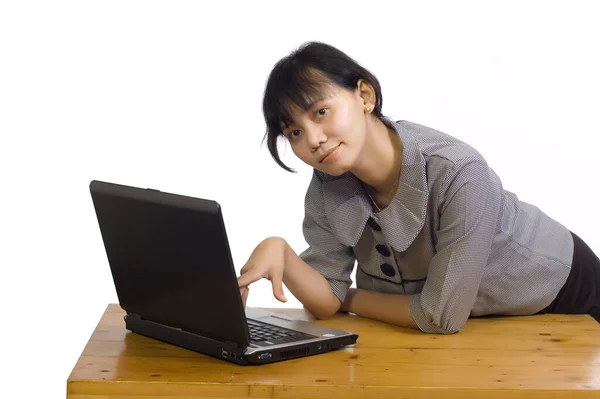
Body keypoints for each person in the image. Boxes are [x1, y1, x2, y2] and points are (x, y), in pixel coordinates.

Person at [236, 41, 600, 334]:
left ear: (364, 96)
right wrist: (281, 252)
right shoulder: (327, 181)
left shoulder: (458, 171)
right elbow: (325, 300)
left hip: (569, 293)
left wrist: (348, 297)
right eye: (294, 132)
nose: (312, 139)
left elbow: (439, 316)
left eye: (320, 112)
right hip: (491, 318)